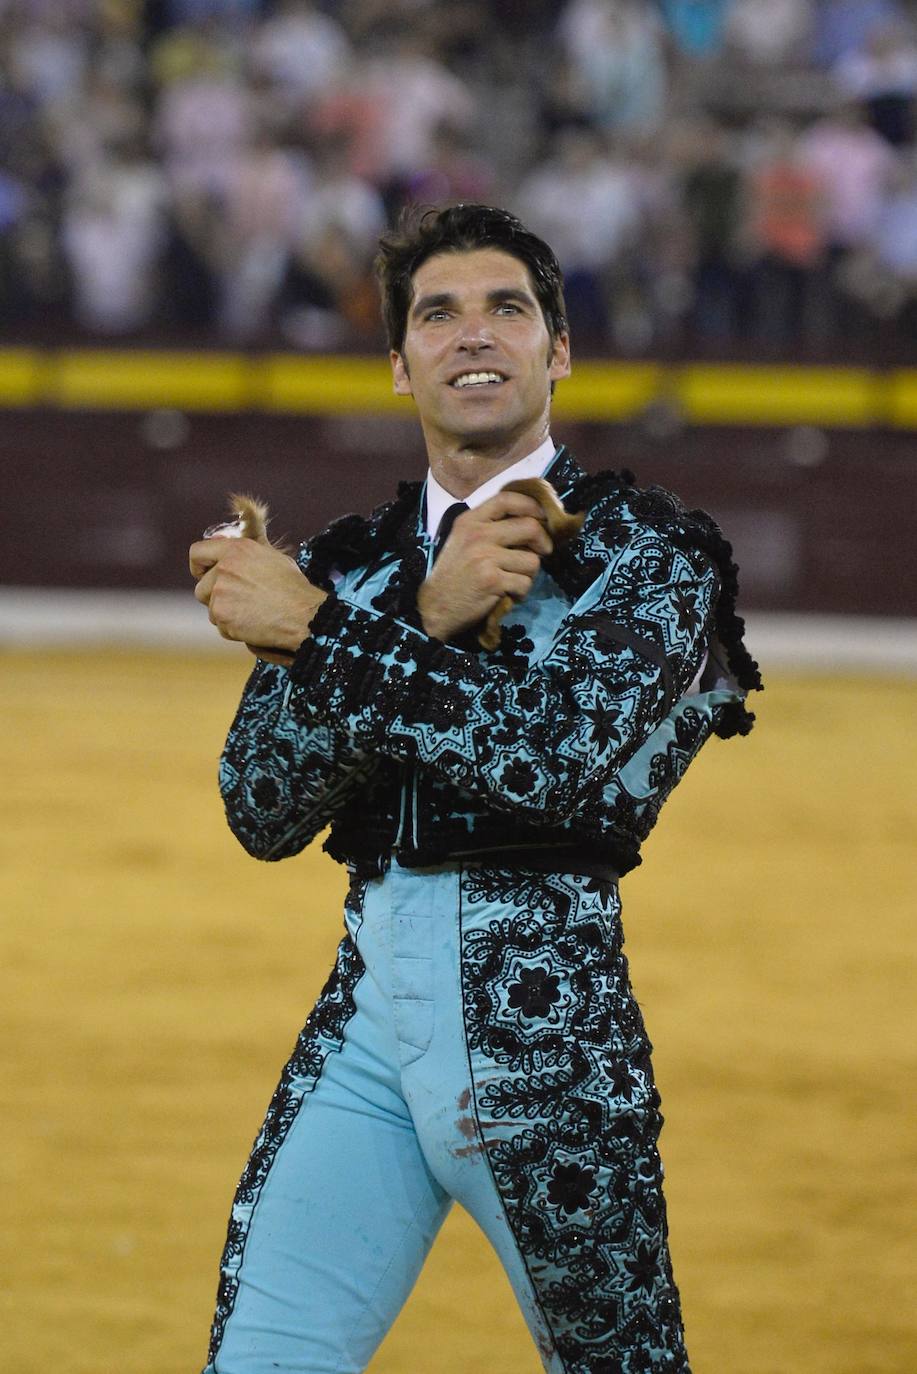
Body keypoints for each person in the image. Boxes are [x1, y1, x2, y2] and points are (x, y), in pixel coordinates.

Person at [189, 203, 761, 1374]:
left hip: (549, 1031)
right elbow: (259, 806)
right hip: (365, 1028)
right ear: (399, 366)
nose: (473, 334)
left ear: (557, 350)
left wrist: (328, 634)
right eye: (437, 314)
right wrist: (412, 612)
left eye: (507, 306)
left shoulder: (648, 556)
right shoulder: (356, 566)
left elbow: (550, 759)